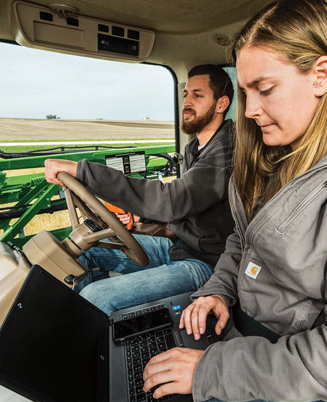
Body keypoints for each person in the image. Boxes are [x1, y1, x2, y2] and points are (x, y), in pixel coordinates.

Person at [63, 0, 327, 402]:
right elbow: (243, 240)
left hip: (303, 392)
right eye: (245, 93)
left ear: (321, 76)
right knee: (104, 394)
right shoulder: (277, 155)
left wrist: (210, 370)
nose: (250, 110)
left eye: (265, 89)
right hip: (237, 339)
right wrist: (219, 291)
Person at [44, 64, 235, 314]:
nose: (187, 102)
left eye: (197, 95)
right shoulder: (194, 148)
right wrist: (139, 217)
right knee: (86, 253)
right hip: (177, 246)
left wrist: (83, 172)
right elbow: (187, 204)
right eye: (186, 94)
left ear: (221, 104)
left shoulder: (225, 153)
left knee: (95, 296)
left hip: (208, 265)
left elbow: (173, 200)